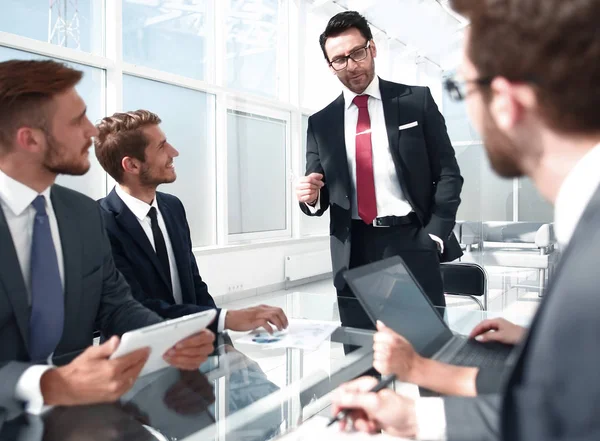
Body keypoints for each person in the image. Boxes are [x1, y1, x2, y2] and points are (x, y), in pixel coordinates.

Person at [331, 0, 600, 439]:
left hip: (415, 241)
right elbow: (570, 397)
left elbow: (560, 424)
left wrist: (419, 417)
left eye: (463, 88)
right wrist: (536, 341)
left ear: (507, 102)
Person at [0, 59, 215, 415]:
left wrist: (171, 338)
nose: (91, 131)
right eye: (76, 121)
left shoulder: (82, 215)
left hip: (86, 411)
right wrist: (46, 383)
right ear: (30, 139)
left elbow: (117, 305)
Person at [296, 11, 463, 331]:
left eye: (356, 53)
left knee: (427, 357)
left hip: (413, 240)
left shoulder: (416, 102)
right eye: (339, 60)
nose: (351, 64)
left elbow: (448, 173)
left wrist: (435, 234)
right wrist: (311, 196)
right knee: (361, 365)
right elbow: (320, 190)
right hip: (353, 251)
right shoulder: (321, 123)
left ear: (372, 48)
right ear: (330, 67)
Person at [94, 110, 289, 334]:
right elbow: (134, 307)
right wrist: (225, 318)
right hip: (138, 359)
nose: (174, 152)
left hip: (193, 349)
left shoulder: (172, 207)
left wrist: (221, 343)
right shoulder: (97, 224)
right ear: (132, 166)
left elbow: (195, 286)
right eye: (161, 146)